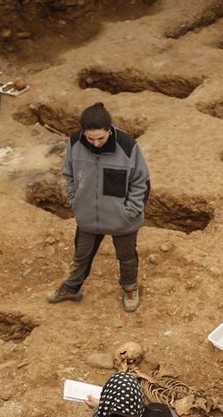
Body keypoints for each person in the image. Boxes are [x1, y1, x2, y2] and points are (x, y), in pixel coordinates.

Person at [47, 102, 150, 312]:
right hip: (87, 217)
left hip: (122, 219)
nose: (95, 143)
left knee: (127, 257)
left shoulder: (127, 145)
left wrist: (130, 211)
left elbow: (142, 182)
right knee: (81, 255)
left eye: (100, 138)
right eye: (90, 138)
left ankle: (130, 288)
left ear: (109, 129)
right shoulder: (75, 142)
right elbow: (69, 174)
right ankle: (72, 288)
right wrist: (74, 200)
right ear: (83, 132)